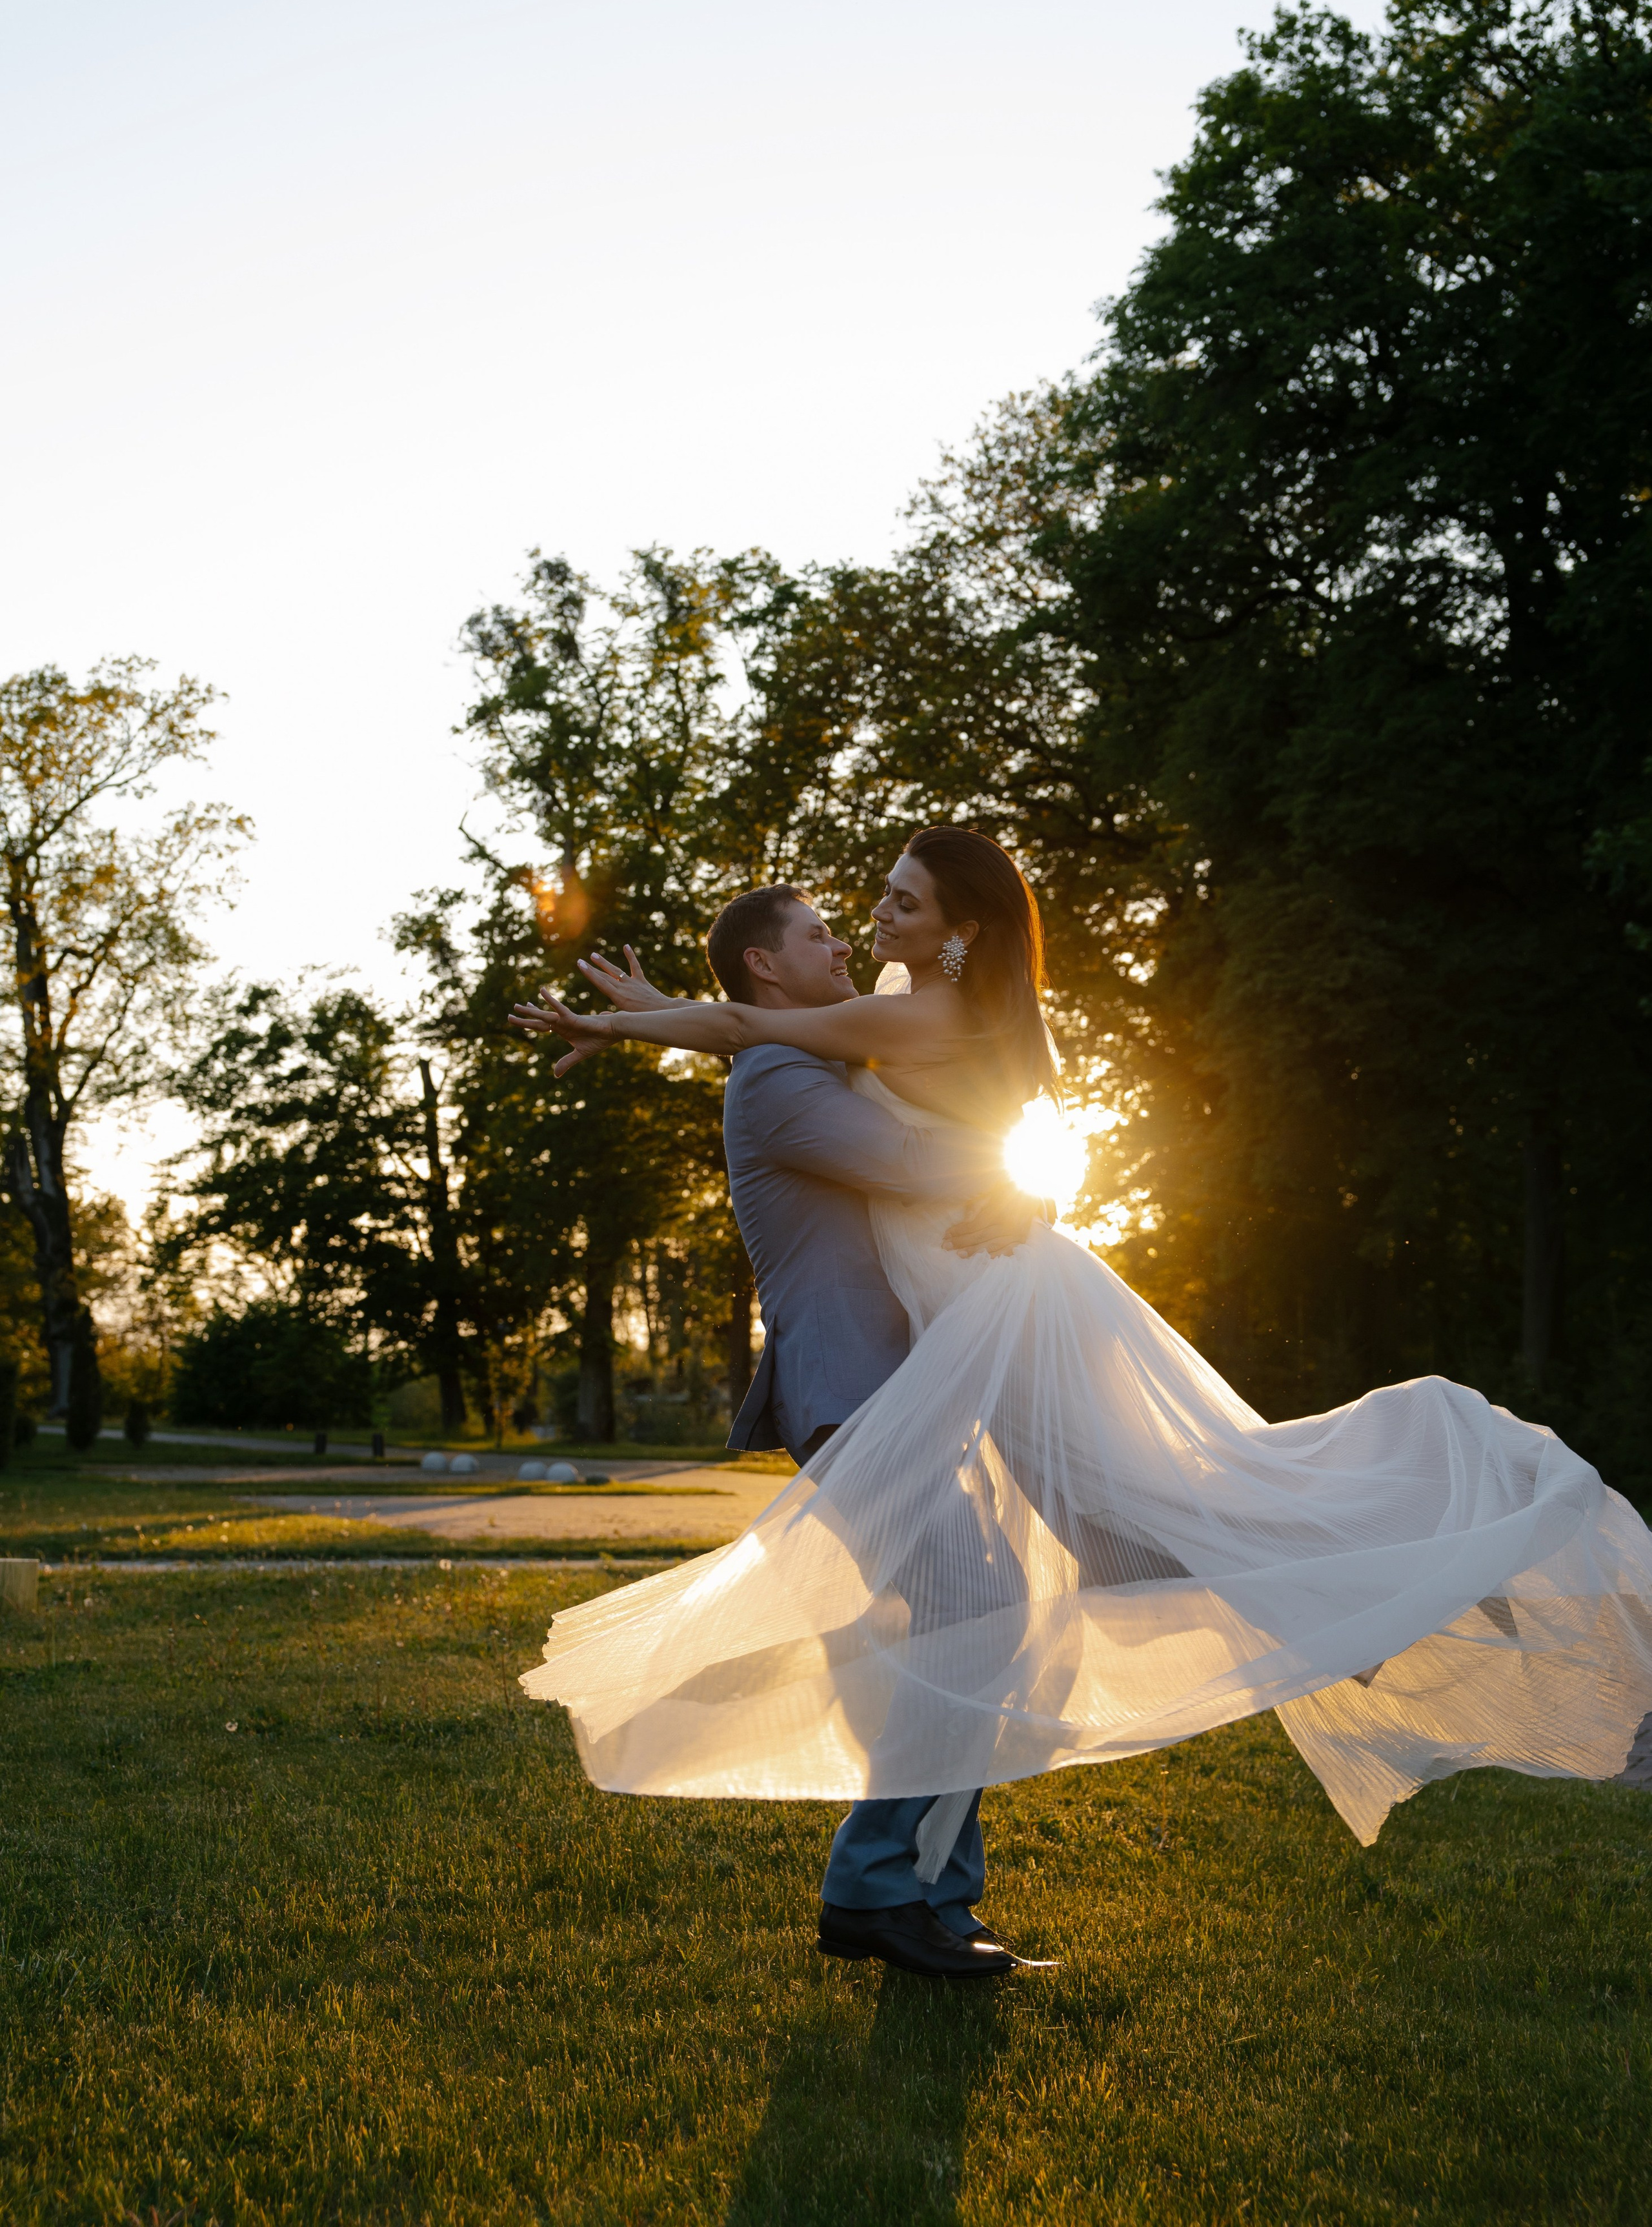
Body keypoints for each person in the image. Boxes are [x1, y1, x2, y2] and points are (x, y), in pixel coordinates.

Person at [512, 826, 1652, 1924]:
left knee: (1109, 1535)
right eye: (839, 923)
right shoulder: (826, 1048)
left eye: (898, 902)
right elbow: (775, 1049)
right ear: (772, 960)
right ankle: (1354, 1607)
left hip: (994, 1309)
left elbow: (835, 1092)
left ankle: (1364, 1597)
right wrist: (645, 1021)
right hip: (953, 1327)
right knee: (1084, 1553)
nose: (864, 925)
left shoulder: (907, 1019)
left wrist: (648, 1025)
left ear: (960, 931)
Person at [538, 885, 1043, 1979]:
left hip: (896, 1391)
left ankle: (933, 1897)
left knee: (970, 1619)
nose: (843, 941)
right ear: (768, 968)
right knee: (980, 1610)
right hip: (849, 1392)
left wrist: (652, 1009)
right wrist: (1029, 1190)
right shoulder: (778, 1079)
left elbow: (764, 1034)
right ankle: (879, 1891)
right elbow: (911, 1164)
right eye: (816, 933)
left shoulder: (797, 1057)